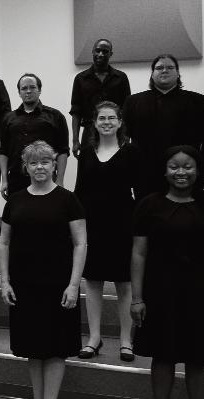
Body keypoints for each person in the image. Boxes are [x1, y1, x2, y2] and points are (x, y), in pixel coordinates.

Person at [130, 145, 204, 399]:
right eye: (174, 166)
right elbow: (138, 253)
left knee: (198, 359)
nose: (181, 172)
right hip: (160, 293)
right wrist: (136, 298)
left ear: (198, 171)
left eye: (188, 166)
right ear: (164, 171)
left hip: (202, 293)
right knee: (163, 357)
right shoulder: (149, 205)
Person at [0, 141, 86, 399]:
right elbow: (4, 242)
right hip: (24, 285)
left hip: (58, 285)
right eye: (34, 162)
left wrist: (73, 285)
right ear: (26, 167)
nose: (40, 167)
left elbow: (80, 244)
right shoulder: (15, 200)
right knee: (33, 350)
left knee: (55, 349)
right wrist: (5, 280)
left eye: (45, 162)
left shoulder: (68, 200)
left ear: (54, 166)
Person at [74, 101, 140, 362]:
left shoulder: (132, 151)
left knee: (124, 283)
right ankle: (94, 338)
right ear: (95, 122)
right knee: (93, 281)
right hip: (93, 224)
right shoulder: (86, 153)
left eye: (112, 118)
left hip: (123, 222)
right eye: (102, 118)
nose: (107, 122)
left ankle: (125, 340)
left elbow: (140, 190)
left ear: (120, 122)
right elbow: (80, 190)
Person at [123, 54, 204, 198]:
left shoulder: (199, 102)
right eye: (159, 68)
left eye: (170, 67)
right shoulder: (133, 102)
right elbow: (123, 140)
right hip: (144, 175)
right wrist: (126, 172)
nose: (164, 70)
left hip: (185, 175)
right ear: (152, 74)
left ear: (178, 73)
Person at [0, 73, 69, 198]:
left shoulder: (55, 116)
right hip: (16, 180)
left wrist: (60, 180)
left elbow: (63, 151)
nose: (28, 91)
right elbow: (3, 152)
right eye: (24, 88)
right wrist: (4, 180)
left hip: (46, 179)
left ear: (39, 90)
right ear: (19, 92)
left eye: (32, 87)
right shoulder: (8, 118)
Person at [69, 39, 130, 156]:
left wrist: (126, 135)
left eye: (105, 51)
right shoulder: (80, 79)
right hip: (89, 132)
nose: (100, 54)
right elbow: (76, 111)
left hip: (115, 132)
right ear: (92, 52)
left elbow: (126, 109)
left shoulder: (121, 78)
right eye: (97, 51)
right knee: (88, 166)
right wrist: (75, 140)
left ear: (111, 54)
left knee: (116, 165)